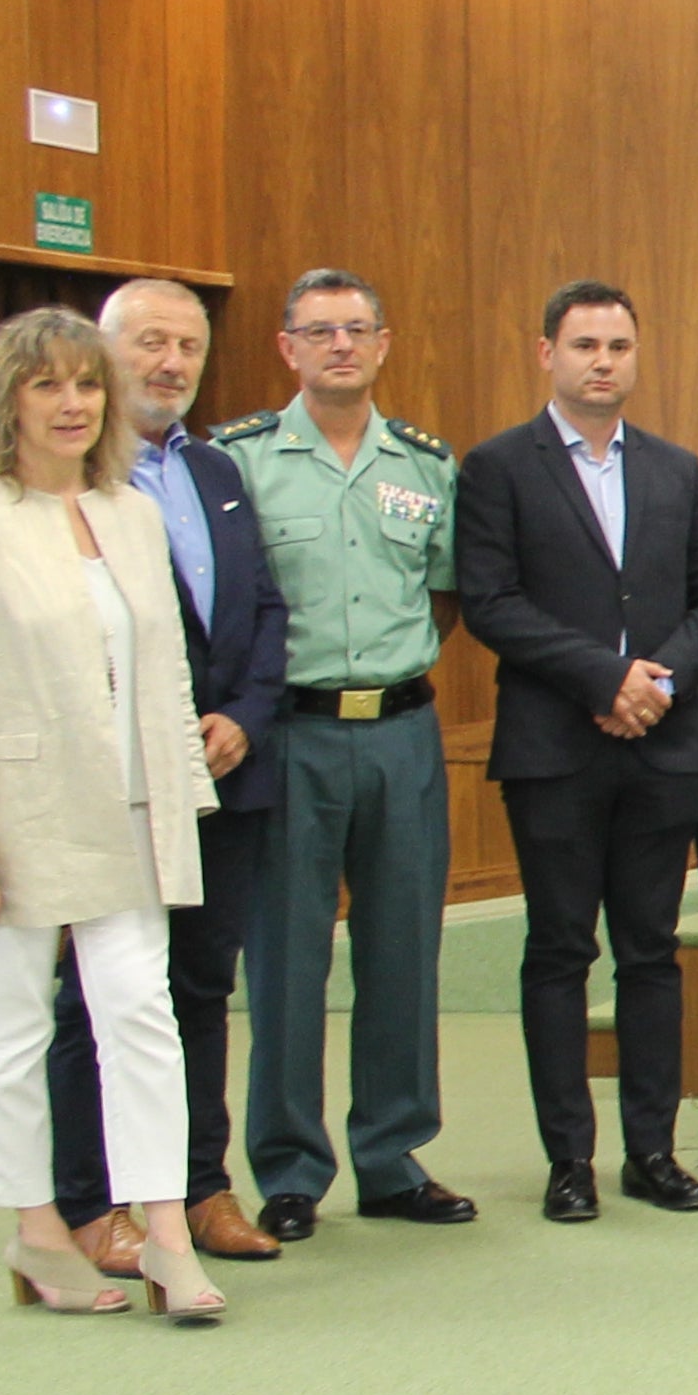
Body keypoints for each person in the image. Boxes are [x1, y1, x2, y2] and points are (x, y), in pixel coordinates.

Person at [0, 307, 225, 1319]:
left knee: (140, 1013)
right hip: (8, 817)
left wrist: (184, 796)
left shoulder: (128, 509)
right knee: (5, 1027)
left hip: (129, 811)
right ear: (8, 399)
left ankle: (164, 1227)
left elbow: (166, 672)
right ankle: (38, 1231)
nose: (74, 403)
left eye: (87, 383)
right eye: (49, 385)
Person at [456, 280, 698, 1221]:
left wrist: (655, 685)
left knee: (651, 954)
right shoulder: (499, 466)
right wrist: (599, 679)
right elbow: (489, 601)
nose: (602, 360)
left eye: (618, 344)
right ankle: (568, 1159)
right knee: (559, 951)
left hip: (662, 744)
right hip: (554, 749)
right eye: (584, 345)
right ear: (547, 354)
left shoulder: (675, 468)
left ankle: (651, 1152)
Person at [215, 268, 474, 1238]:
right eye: (318, 331)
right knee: (283, 957)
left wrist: (388, 676)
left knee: (403, 948)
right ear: (286, 346)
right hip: (287, 735)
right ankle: (287, 1168)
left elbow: (443, 596)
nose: (339, 345)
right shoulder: (239, 460)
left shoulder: (424, 464)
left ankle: (392, 1154)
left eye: (356, 329)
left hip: (402, 732)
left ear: (383, 342)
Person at [38, 280, 288, 1268]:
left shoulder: (218, 469)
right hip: (109, 778)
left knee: (198, 984)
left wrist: (246, 717)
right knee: (95, 991)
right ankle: (91, 1200)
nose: (171, 363)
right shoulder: (68, 484)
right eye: (149, 343)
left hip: (223, 772)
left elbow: (265, 609)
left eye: (187, 345)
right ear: (104, 355)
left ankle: (199, 1183)